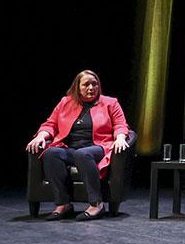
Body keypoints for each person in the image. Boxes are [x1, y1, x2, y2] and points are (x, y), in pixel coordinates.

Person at [26, 70, 130, 221]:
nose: (91, 88)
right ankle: (63, 204)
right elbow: (51, 124)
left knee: (82, 154)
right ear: (77, 87)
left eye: (94, 84)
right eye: (86, 84)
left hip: (98, 146)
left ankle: (96, 204)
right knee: (51, 153)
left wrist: (120, 137)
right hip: (71, 148)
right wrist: (41, 135)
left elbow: (121, 124)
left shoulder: (110, 103)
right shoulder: (65, 102)